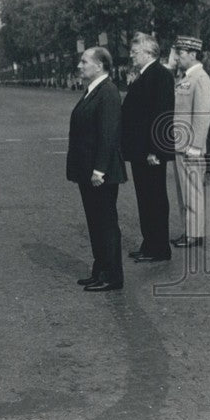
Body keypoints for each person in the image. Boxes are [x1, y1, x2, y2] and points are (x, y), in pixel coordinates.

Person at [67, 47, 127, 292]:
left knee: (105, 223)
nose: (79, 66)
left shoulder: (108, 92)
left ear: (100, 65)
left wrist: (100, 169)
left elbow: (108, 133)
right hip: (89, 170)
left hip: (100, 172)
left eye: (84, 62)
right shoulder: (94, 91)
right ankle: (100, 269)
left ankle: (112, 275)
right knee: (95, 222)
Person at [121, 33, 175, 262]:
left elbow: (162, 115)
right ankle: (149, 243)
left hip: (150, 152)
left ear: (148, 52)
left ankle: (159, 248)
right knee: (145, 198)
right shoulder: (145, 75)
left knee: (154, 199)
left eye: (135, 52)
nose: (131, 56)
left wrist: (156, 149)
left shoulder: (160, 75)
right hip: (140, 150)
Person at [171, 36, 210, 249]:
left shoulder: (201, 79)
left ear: (193, 54)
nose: (177, 57)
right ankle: (188, 230)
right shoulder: (185, 78)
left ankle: (195, 234)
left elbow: (203, 115)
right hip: (181, 146)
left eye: (181, 53)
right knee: (184, 193)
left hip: (191, 148)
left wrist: (196, 146)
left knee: (193, 191)